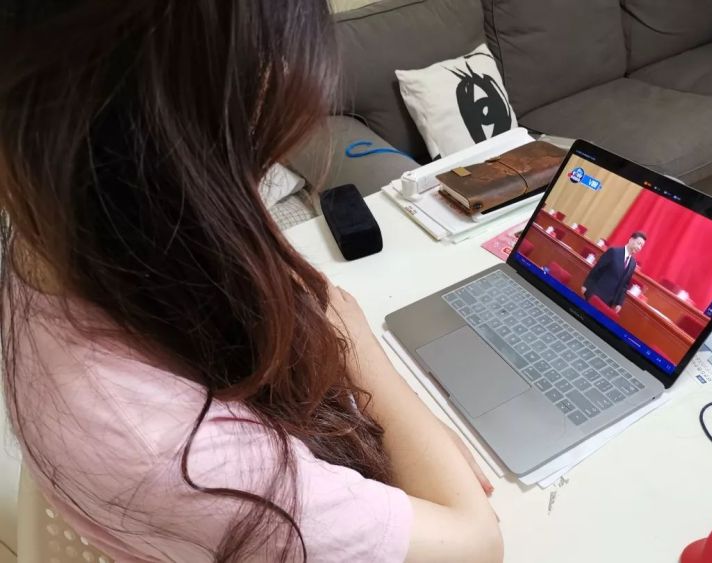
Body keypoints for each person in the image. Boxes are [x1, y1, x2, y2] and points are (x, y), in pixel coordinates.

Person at [0, 1, 503, 562]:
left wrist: (408, 438)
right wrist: (361, 346)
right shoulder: (180, 452)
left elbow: (270, 271)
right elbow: (476, 546)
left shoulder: (61, 231)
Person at [582, 232, 647, 313]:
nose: (639, 247)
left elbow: (625, 285)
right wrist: (586, 285)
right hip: (595, 293)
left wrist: (619, 303)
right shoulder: (614, 252)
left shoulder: (633, 263)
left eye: (641, 246)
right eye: (638, 243)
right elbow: (597, 269)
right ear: (631, 240)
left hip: (608, 302)